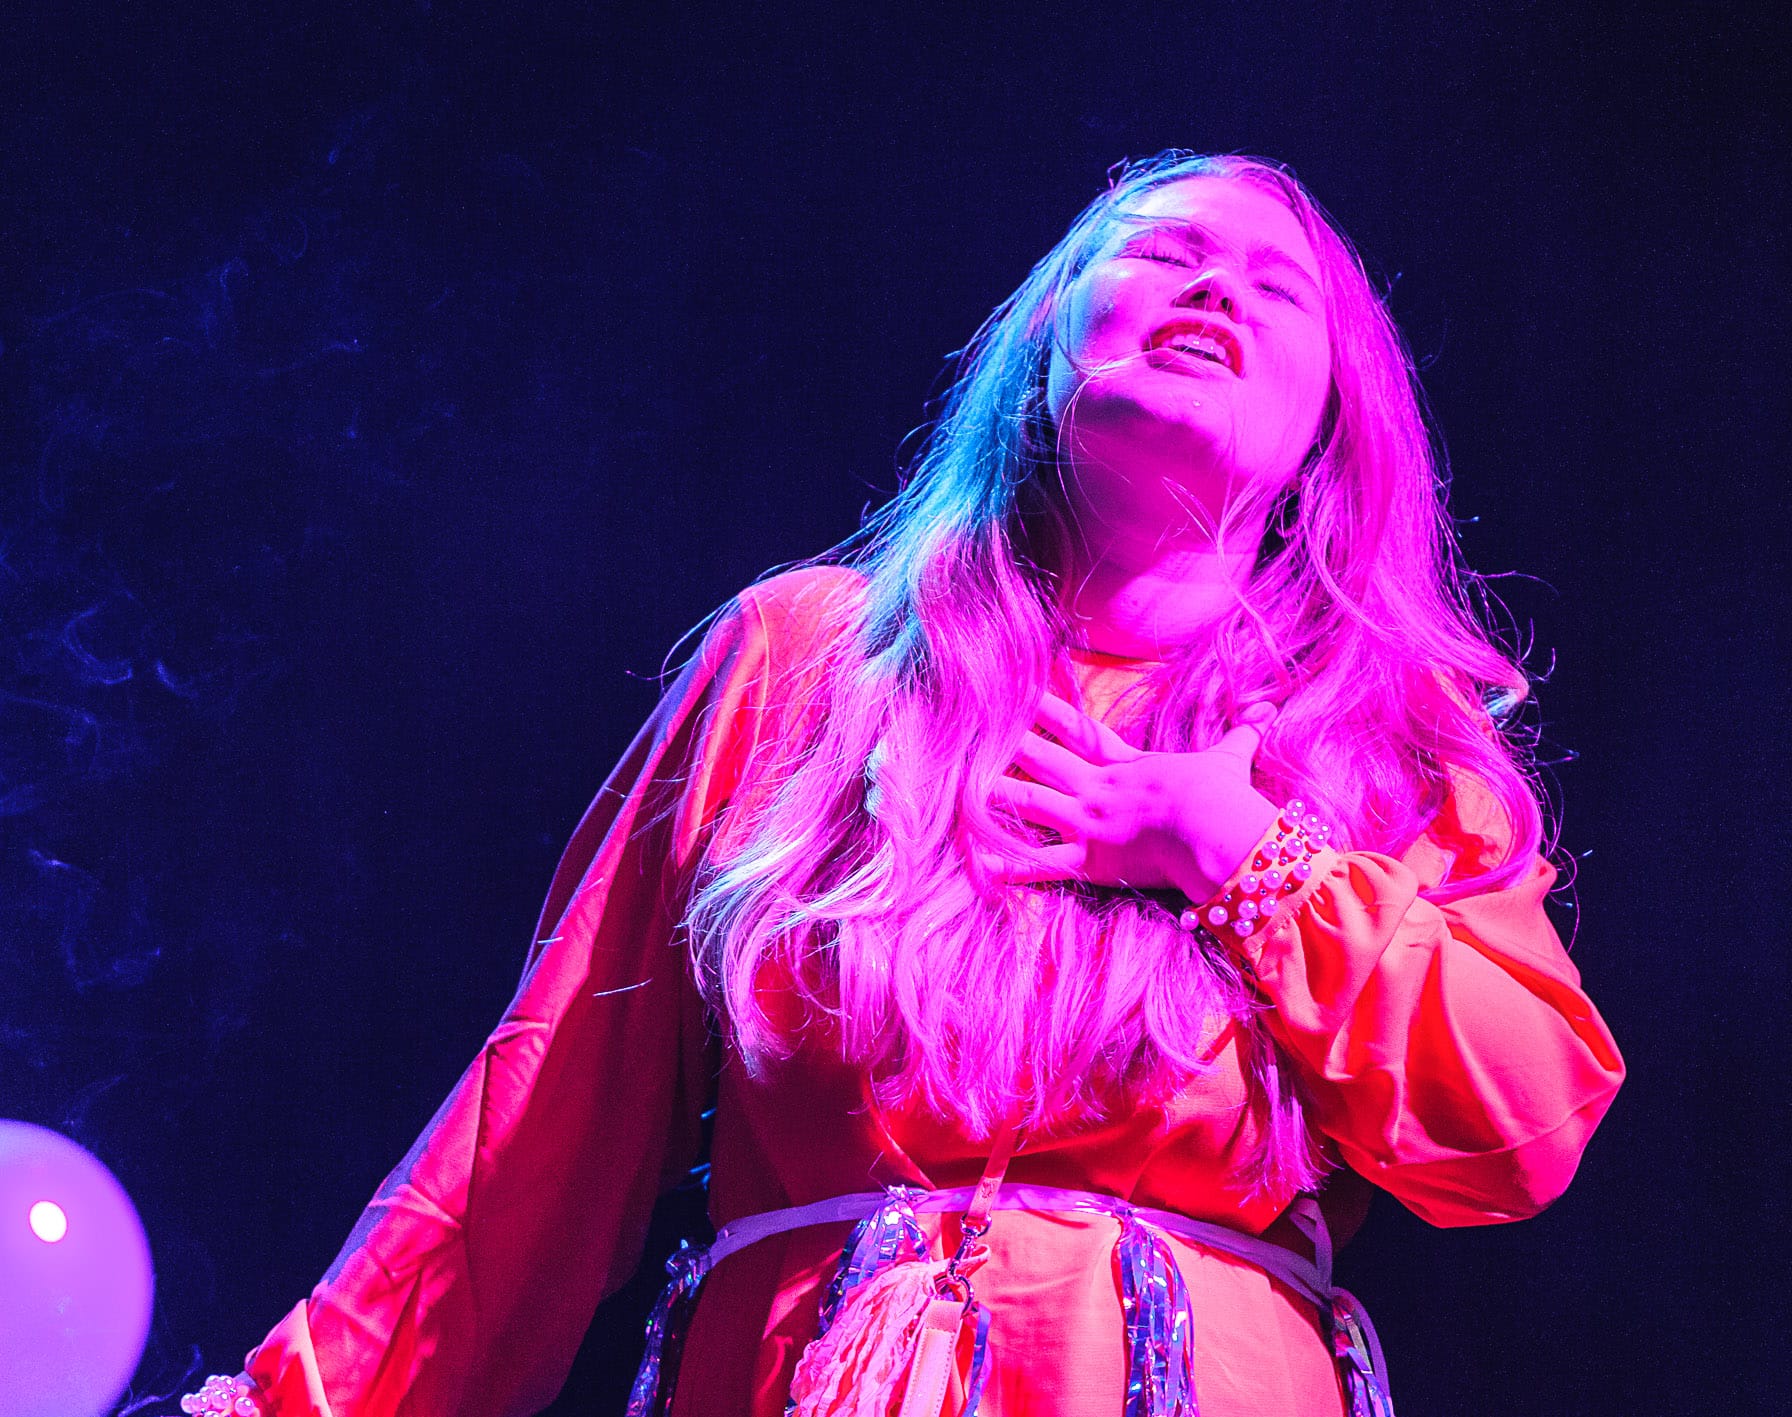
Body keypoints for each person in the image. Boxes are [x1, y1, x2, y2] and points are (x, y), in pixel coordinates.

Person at [181, 151, 1625, 1417]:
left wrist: (1249, 858)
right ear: (1046, 346)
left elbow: (1523, 1122)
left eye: (1277, 285)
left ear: (1329, 424)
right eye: (1162, 253)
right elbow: (544, 1121)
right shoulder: (808, 664)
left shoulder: (1383, 741)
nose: (1215, 289)